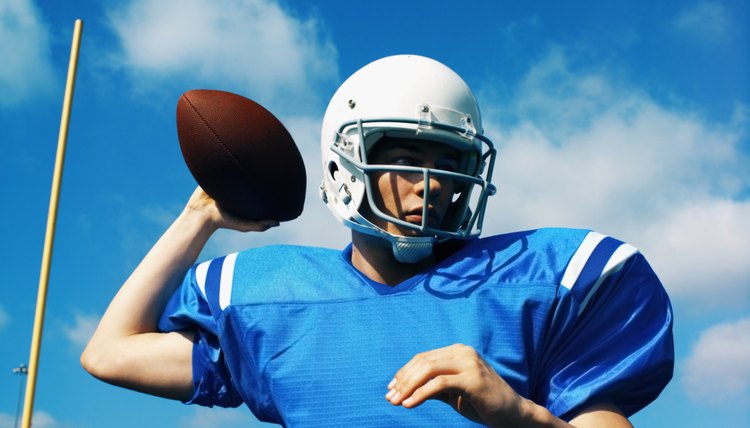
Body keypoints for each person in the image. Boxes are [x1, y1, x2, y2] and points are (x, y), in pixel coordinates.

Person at [81, 55, 673, 427]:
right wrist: (199, 218)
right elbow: (108, 353)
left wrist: (516, 416)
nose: (432, 185)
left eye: (450, 163)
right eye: (408, 159)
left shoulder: (548, 278)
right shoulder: (268, 296)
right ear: (346, 167)